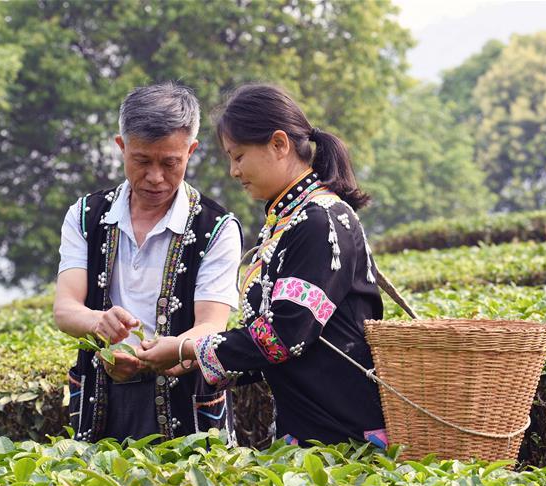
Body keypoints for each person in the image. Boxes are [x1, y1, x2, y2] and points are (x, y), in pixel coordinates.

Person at [137, 83, 387, 447]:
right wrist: (196, 361)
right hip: (308, 432)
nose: (234, 171)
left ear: (279, 144)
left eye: (238, 156)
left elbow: (284, 336)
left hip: (342, 437)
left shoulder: (320, 221)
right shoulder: (288, 221)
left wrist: (189, 349)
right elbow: (278, 346)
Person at [54, 82, 242, 443]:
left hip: (187, 407)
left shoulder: (216, 228)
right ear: (121, 147)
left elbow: (210, 326)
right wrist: (100, 323)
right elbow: (65, 309)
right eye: (141, 160)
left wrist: (172, 353)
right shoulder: (86, 216)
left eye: (170, 163)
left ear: (191, 151)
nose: (155, 177)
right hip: (101, 399)